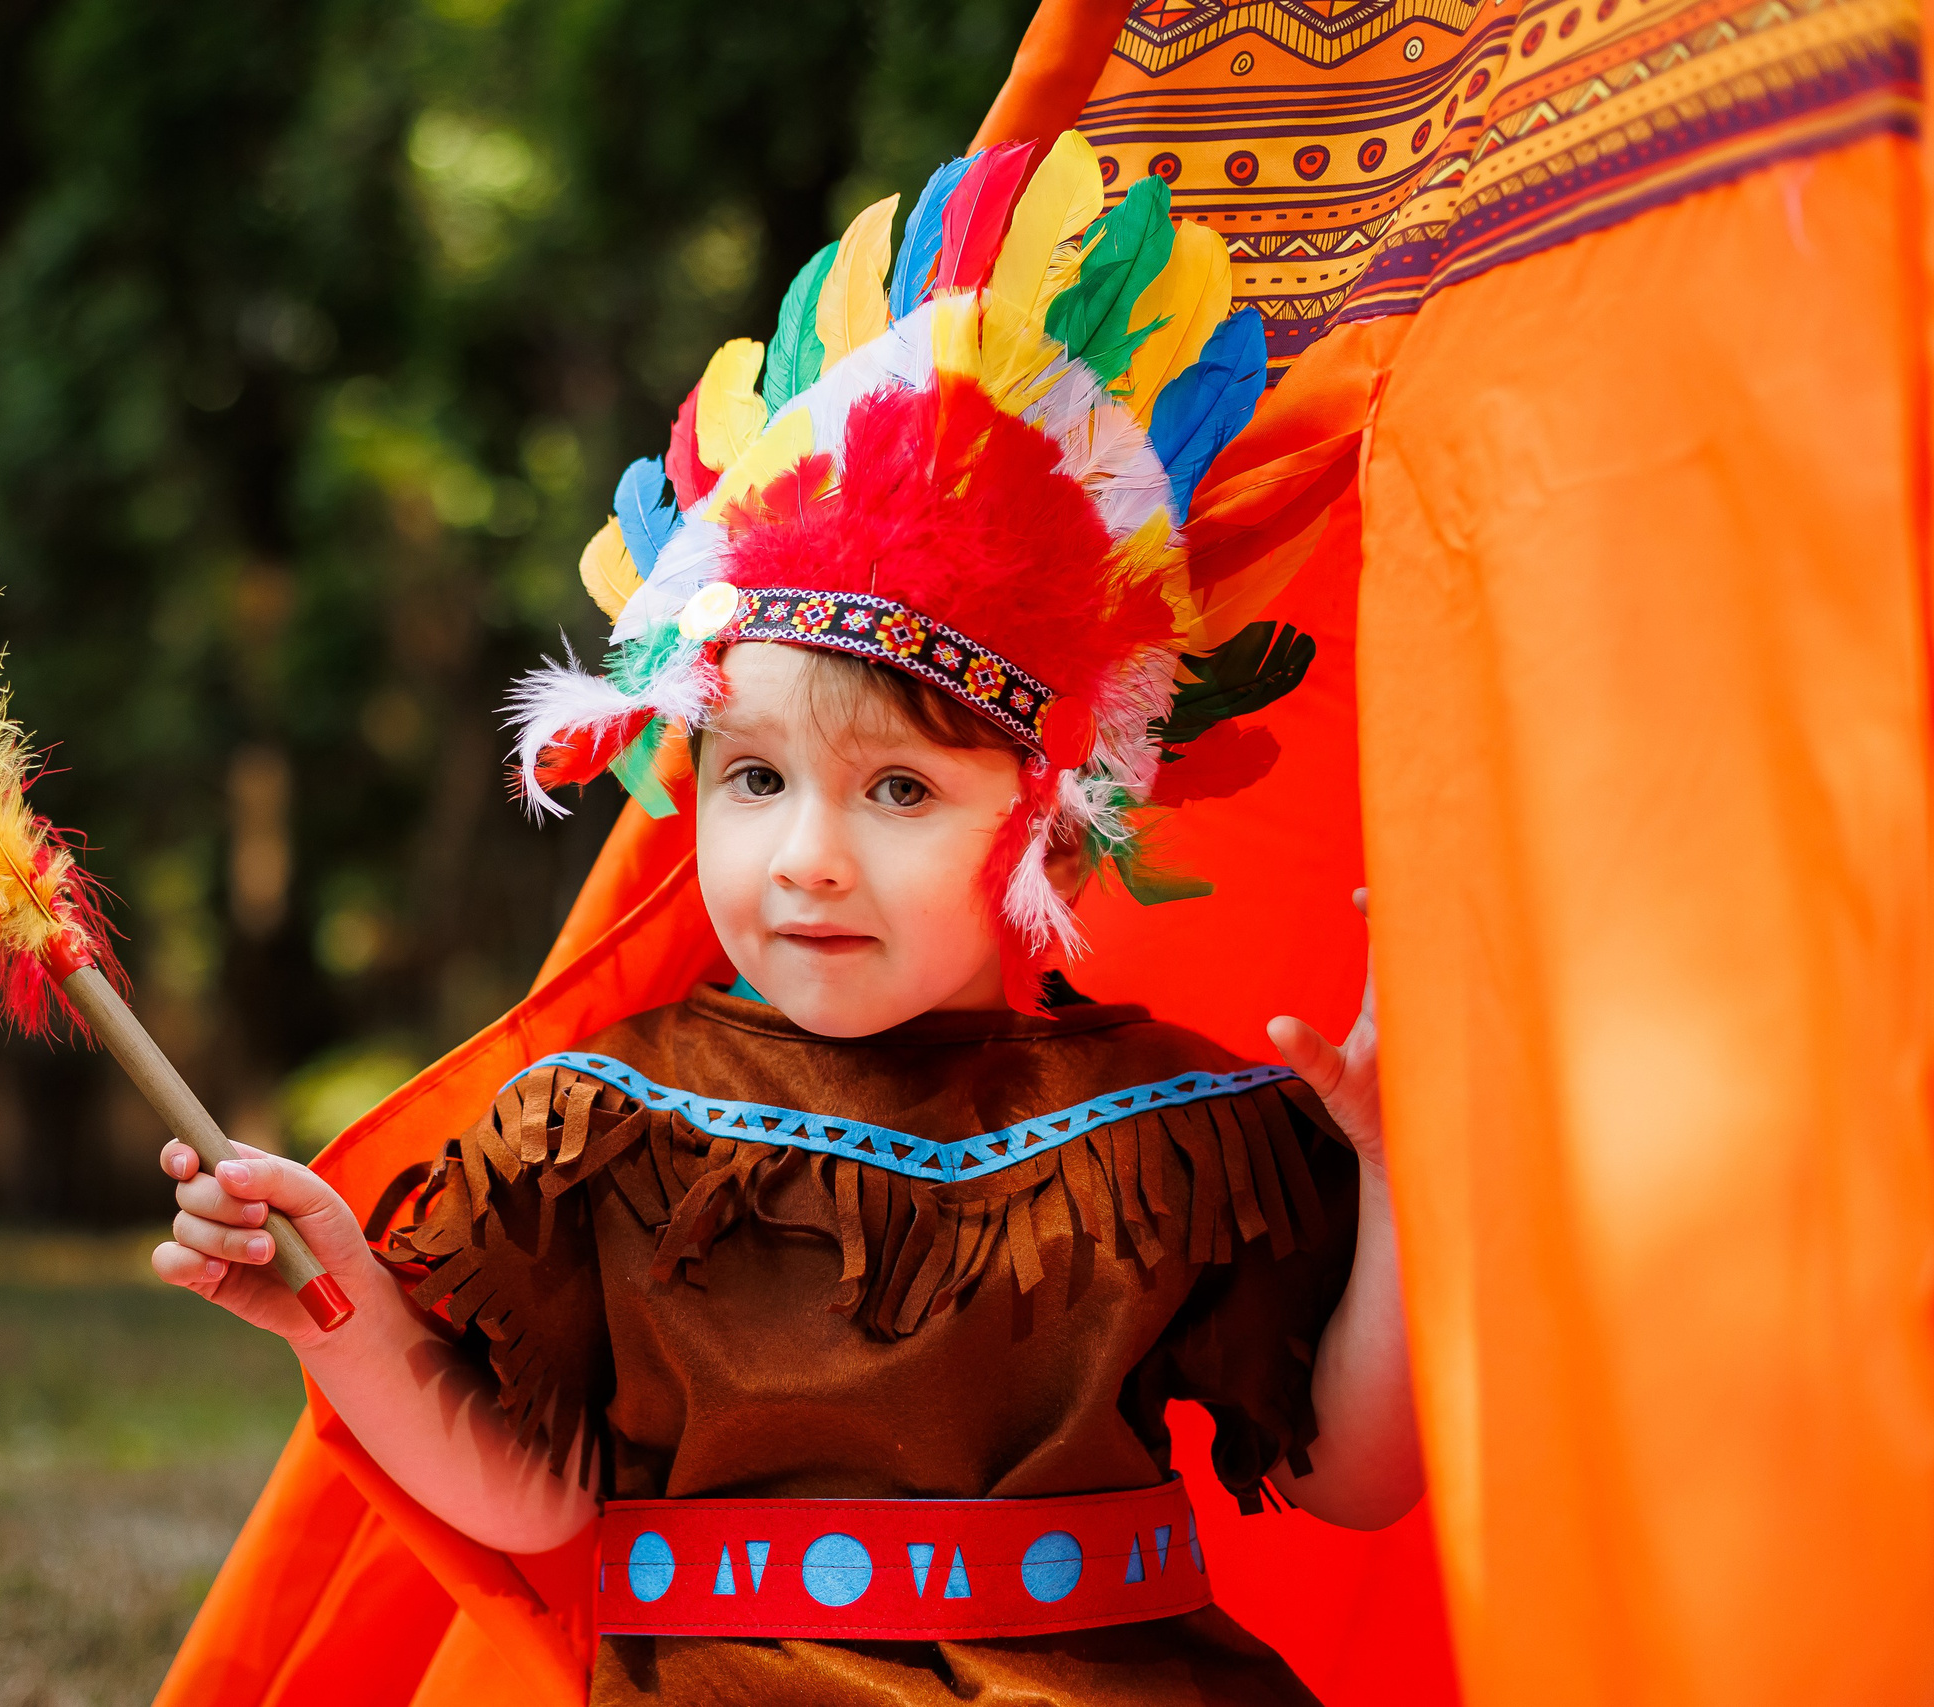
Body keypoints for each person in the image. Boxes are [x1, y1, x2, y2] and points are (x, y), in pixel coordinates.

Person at [153, 131, 1422, 1705]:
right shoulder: (604, 1127)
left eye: (897, 793)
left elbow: (1358, 1483)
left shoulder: (1167, 1141)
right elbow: (533, 1498)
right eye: (755, 782)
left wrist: (1390, 1173)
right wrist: (336, 1312)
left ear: (1056, 838)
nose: (807, 859)